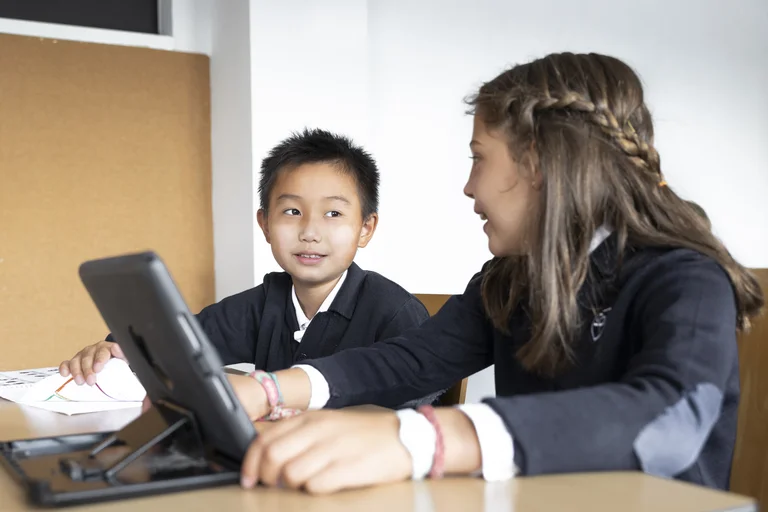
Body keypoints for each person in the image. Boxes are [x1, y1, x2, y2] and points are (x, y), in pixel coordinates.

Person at [225, 53, 764, 494]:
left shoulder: (685, 278)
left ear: (538, 163)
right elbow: (415, 358)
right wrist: (273, 390)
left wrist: (423, 439)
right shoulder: (509, 281)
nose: (468, 187)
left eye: (478, 158)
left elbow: (669, 420)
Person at [59, 128, 437, 407]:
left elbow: (414, 416)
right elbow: (184, 341)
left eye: (333, 213)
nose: (310, 232)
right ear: (265, 224)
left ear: (365, 228)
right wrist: (117, 347)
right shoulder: (266, 302)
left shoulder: (394, 312)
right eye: (292, 211)